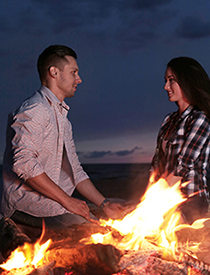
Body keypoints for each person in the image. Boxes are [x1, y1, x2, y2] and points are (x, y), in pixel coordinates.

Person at [0, 45, 125, 230]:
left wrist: (105, 204)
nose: (79, 79)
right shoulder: (35, 109)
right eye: (74, 72)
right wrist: (68, 201)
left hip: (53, 203)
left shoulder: (63, 120)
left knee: (108, 228)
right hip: (24, 206)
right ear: (54, 72)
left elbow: (76, 171)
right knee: (96, 234)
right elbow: (23, 163)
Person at [150, 57, 210, 224]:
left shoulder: (200, 118)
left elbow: (183, 166)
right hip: (164, 198)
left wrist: (154, 204)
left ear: (187, 81)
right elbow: (156, 165)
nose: (166, 87)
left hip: (190, 201)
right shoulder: (168, 120)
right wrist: (149, 198)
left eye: (171, 81)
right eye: (165, 81)